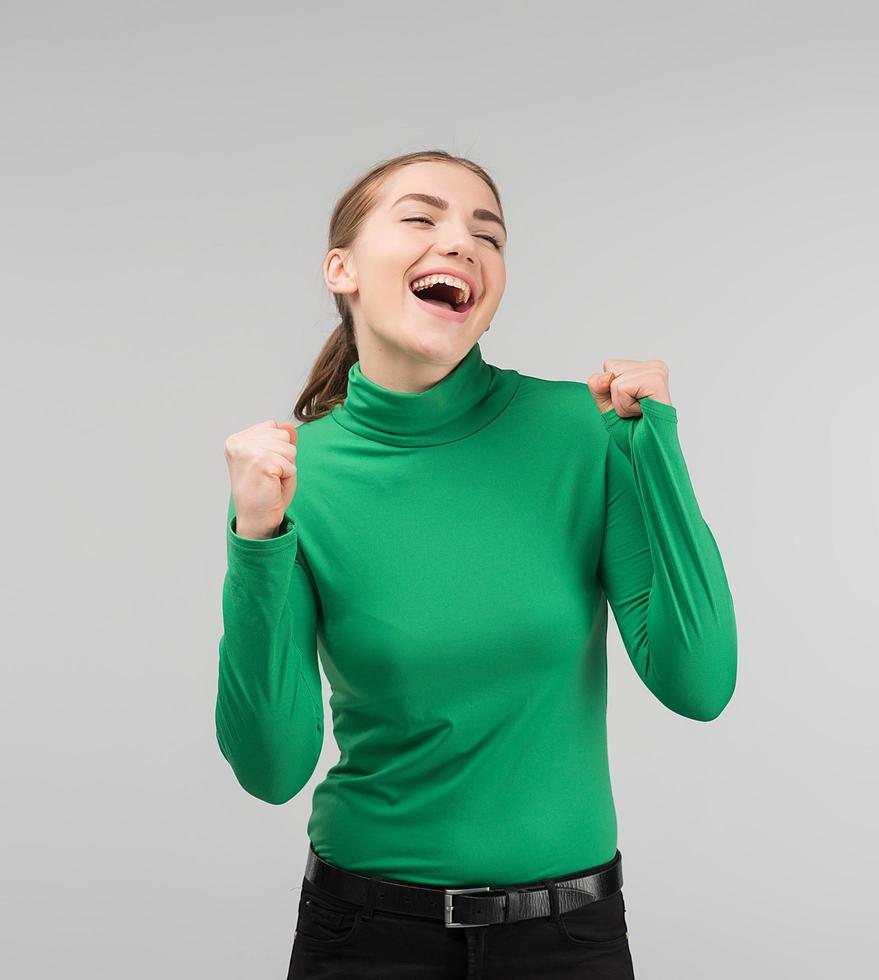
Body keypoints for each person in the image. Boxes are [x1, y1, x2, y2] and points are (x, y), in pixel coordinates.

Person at [216, 149, 737, 979]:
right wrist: (254, 539)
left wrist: (655, 452)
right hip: (364, 936)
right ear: (341, 269)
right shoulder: (291, 479)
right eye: (422, 218)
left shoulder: (577, 429)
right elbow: (270, 768)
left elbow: (698, 683)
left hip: (568, 938)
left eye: (486, 233)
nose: (461, 243)